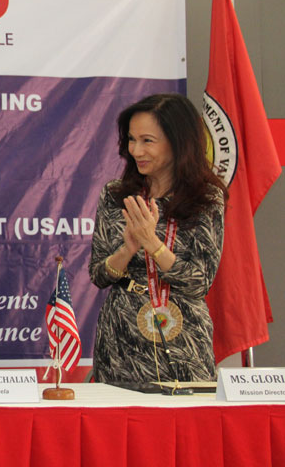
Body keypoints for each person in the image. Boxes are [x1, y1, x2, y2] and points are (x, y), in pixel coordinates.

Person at [88, 93, 226, 383]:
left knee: (186, 424)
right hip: (121, 334)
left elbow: (199, 282)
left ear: (178, 143)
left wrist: (153, 244)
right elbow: (99, 275)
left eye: (147, 141)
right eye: (131, 139)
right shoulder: (116, 195)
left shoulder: (206, 198)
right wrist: (128, 249)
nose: (136, 150)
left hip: (183, 334)